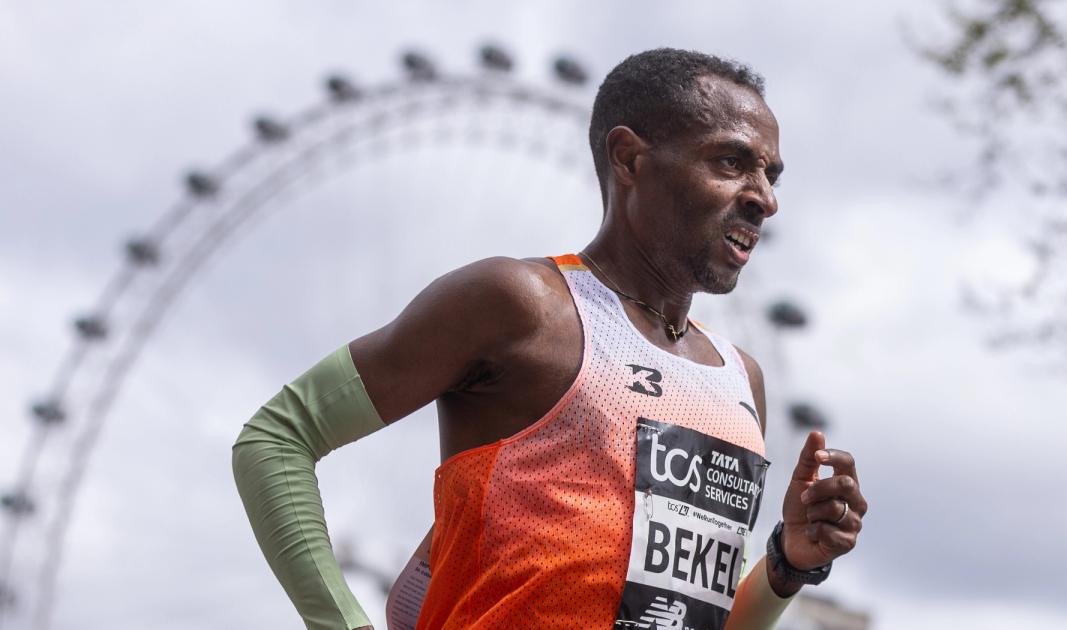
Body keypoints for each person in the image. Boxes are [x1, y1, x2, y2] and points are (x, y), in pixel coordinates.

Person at [232, 47, 868, 630]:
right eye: (731, 162)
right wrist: (343, 624)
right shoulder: (520, 305)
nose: (763, 199)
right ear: (629, 159)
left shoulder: (740, 378)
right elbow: (277, 438)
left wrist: (788, 564)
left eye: (771, 175)